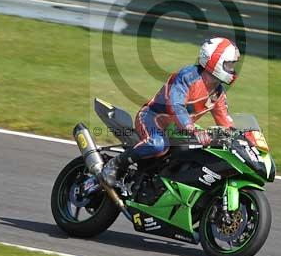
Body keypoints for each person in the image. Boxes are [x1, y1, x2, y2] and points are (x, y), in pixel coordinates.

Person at [101, 37, 241, 186]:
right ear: (214, 61)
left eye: (233, 64)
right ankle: (115, 164)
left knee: (196, 153)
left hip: (178, 130)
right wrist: (192, 130)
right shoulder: (188, 76)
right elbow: (175, 106)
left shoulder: (217, 92)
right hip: (152, 118)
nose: (232, 69)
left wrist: (242, 138)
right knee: (157, 144)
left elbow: (225, 121)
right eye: (229, 64)